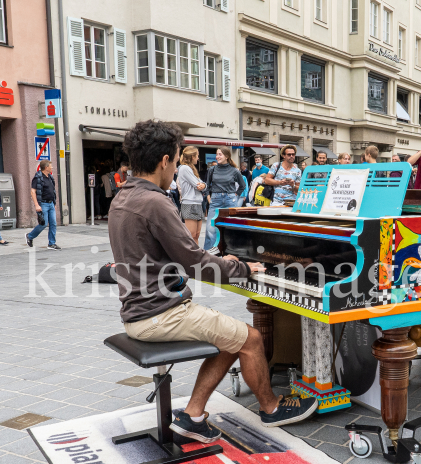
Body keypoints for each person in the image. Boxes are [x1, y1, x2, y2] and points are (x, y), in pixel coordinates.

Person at [108, 120, 318, 442]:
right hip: (159, 314)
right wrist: (245, 269)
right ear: (165, 160)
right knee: (250, 338)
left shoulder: (122, 197)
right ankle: (273, 408)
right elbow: (195, 262)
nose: (176, 168)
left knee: (228, 335)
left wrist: (225, 262)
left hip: (138, 310)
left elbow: (181, 256)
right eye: (177, 161)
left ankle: (193, 414)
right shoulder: (155, 202)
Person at [203, 146, 248, 253]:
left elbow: (242, 185)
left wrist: (235, 196)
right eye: (217, 154)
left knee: (231, 226)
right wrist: (209, 199)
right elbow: (207, 186)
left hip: (230, 199)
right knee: (210, 227)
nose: (217, 156)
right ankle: (210, 252)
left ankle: (231, 250)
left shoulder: (234, 171)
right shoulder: (212, 170)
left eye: (220, 154)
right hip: (215, 199)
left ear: (227, 156)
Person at [26, 161, 61, 250]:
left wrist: (54, 203)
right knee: (43, 224)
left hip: (51, 204)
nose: (52, 167)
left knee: (53, 223)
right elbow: (33, 191)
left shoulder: (50, 177)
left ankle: (52, 243)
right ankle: (30, 236)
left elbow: (52, 191)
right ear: (46, 167)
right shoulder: (38, 178)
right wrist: (37, 205)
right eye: (51, 166)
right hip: (43, 204)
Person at [177, 146, 207, 242]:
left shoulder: (191, 168)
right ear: (192, 156)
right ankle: (191, 256)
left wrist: (204, 185)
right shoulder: (184, 168)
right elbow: (197, 184)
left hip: (197, 203)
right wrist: (203, 185)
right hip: (189, 203)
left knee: (197, 235)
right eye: (197, 155)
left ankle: (197, 257)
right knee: (191, 236)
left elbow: (203, 184)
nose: (198, 158)